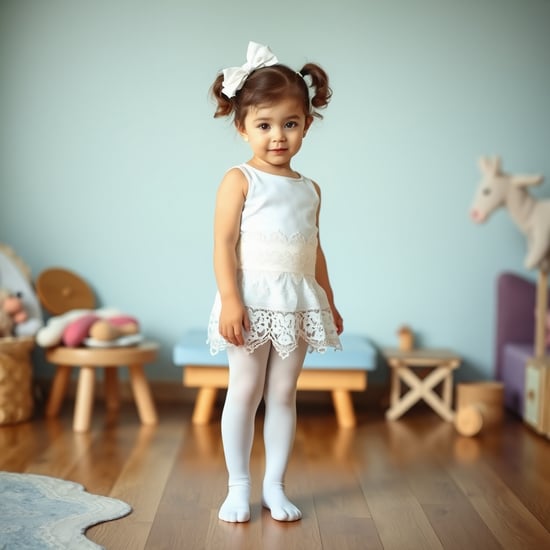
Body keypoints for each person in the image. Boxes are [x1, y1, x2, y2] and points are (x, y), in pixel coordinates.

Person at [207, 41, 343, 523]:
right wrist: (229, 300)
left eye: (290, 124)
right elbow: (223, 244)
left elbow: (313, 249)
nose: (278, 136)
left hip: (298, 302)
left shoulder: (310, 189)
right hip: (250, 299)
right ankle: (237, 486)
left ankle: (275, 486)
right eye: (264, 125)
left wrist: (328, 302)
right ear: (242, 128)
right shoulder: (240, 179)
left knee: (283, 394)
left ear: (307, 123)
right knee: (245, 389)